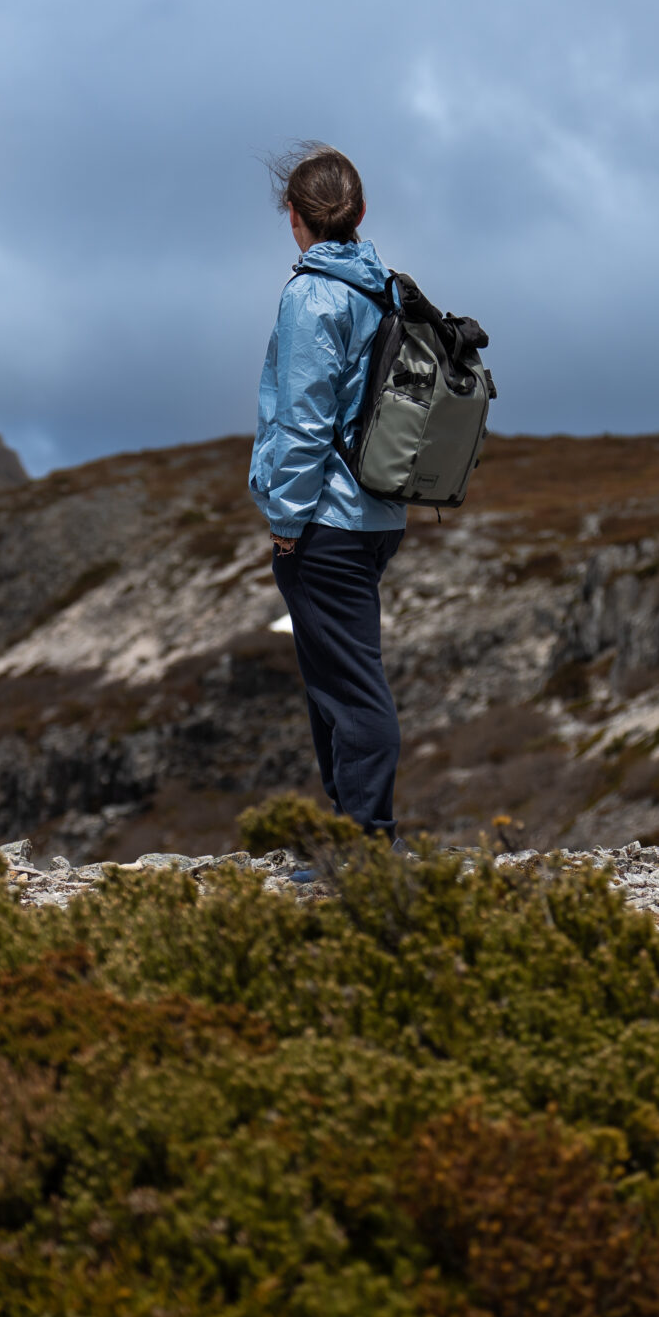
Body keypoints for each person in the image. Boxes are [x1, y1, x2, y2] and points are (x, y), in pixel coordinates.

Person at [249, 142, 408, 840]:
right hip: (377, 512)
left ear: (294, 217)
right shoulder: (386, 287)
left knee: (350, 688)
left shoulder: (312, 295)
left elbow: (304, 424)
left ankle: (367, 839)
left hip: (327, 520)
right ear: (361, 210)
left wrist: (286, 520)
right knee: (333, 682)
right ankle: (351, 837)